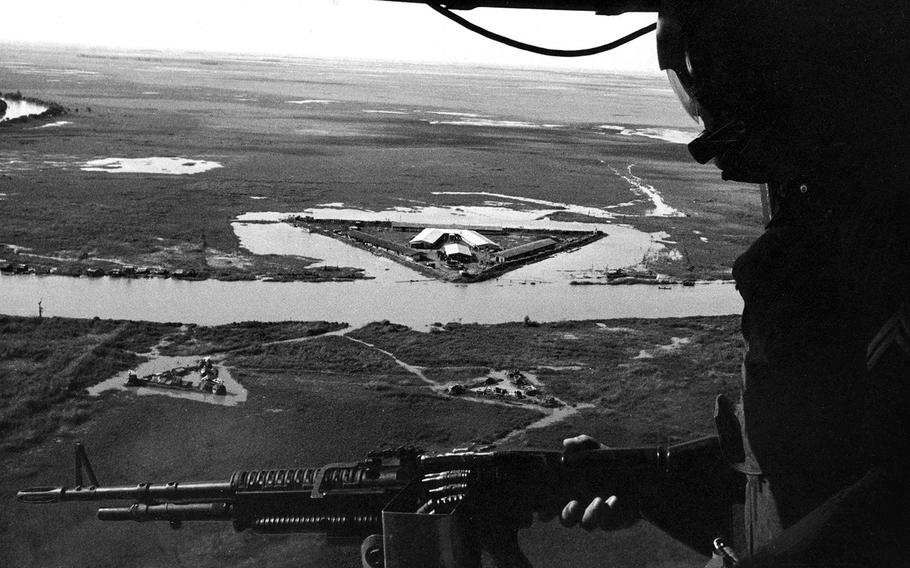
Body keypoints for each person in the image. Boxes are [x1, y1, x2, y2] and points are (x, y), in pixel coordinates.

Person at [559, 1, 909, 566]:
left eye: (726, 121)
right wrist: (649, 479)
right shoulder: (820, 227)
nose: (712, 150)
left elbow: (894, 494)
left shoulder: (885, 238)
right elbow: (792, 475)